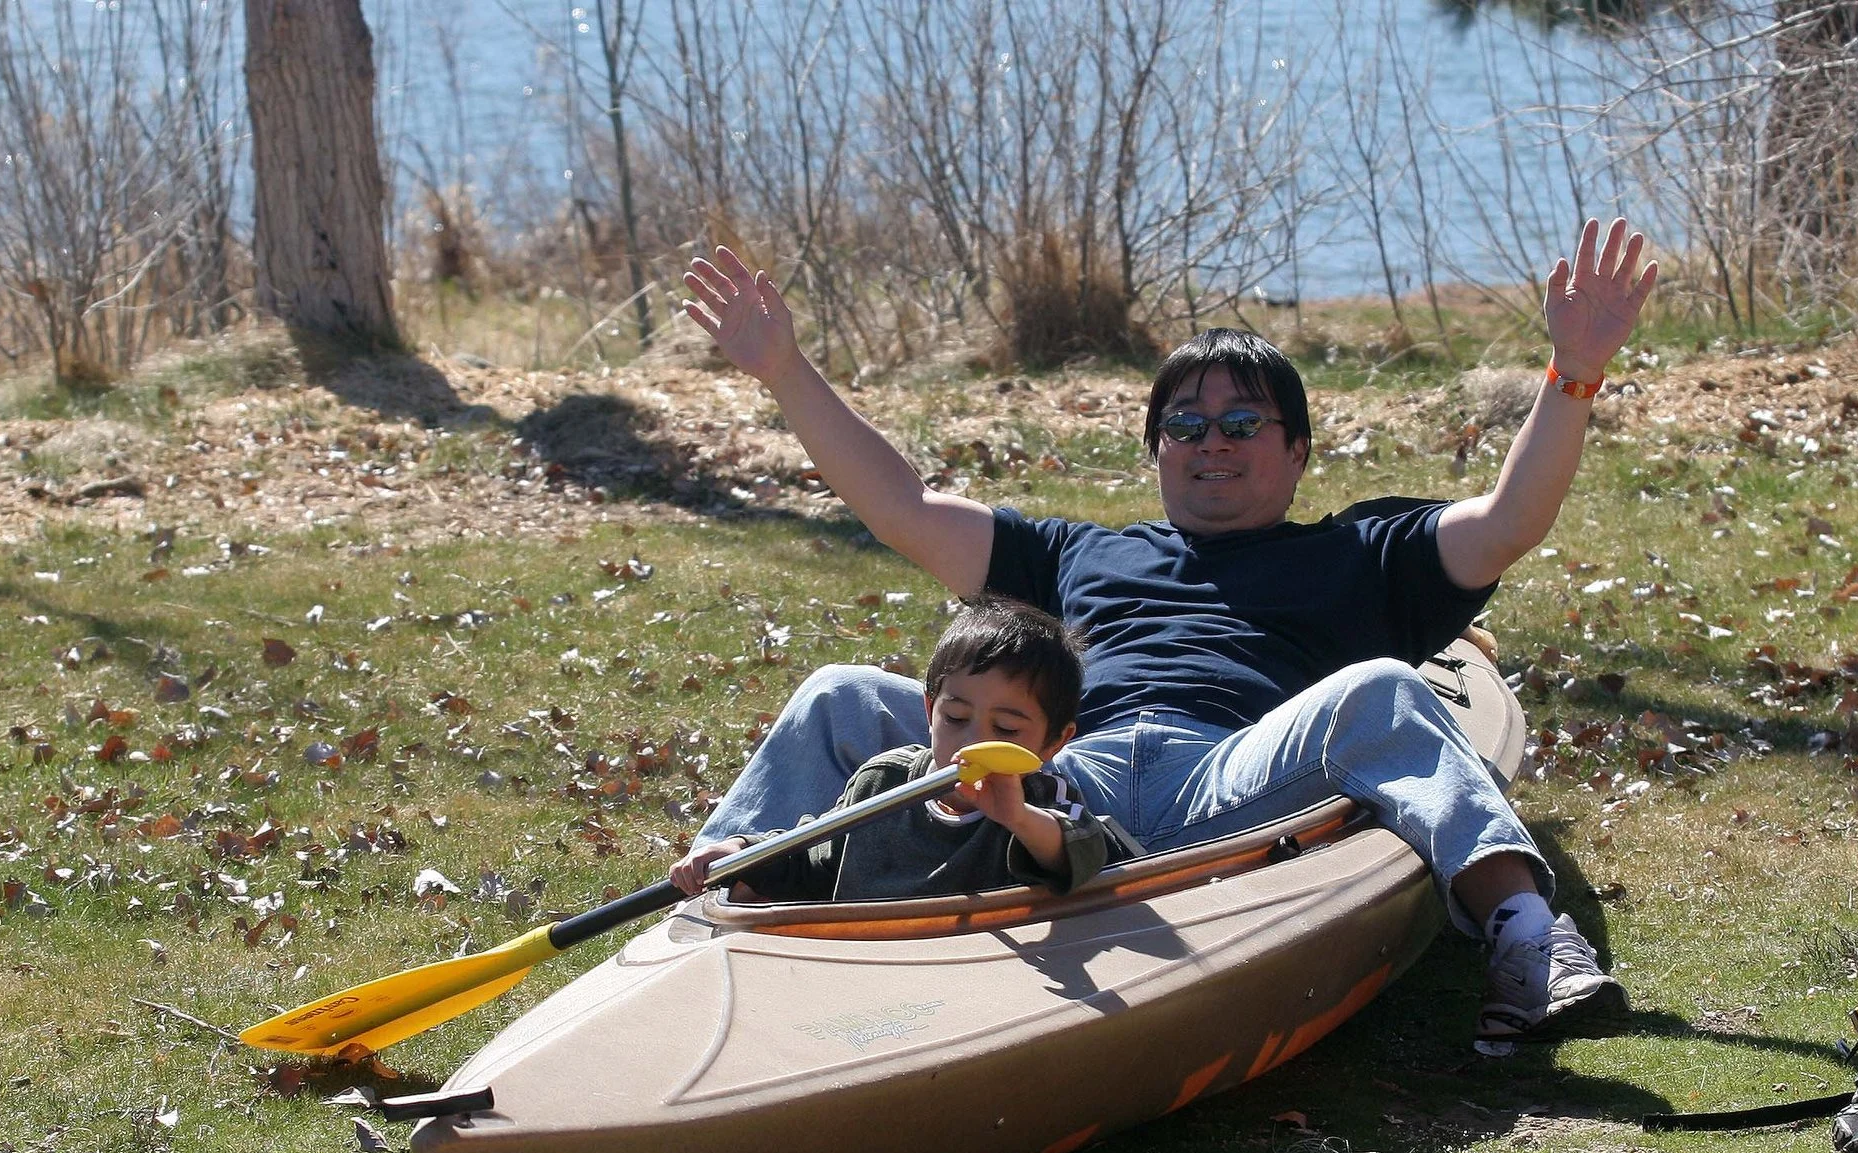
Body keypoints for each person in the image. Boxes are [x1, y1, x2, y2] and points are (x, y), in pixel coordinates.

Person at [680, 217, 1658, 1054]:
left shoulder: (1363, 551)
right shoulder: (1075, 554)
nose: (1212, 441)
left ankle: (1529, 943)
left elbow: (1507, 522)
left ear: (1295, 451)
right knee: (843, 694)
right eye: (1184, 426)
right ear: (1154, 452)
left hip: (1234, 777)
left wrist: (1573, 374)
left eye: (1242, 421)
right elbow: (901, 506)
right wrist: (785, 371)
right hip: (1073, 772)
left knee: (1380, 690)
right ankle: (704, 914)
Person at [668, 597, 1117, 903]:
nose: (974, 740)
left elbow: (1084, 855)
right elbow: (813, 859)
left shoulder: (1044, 798)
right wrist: (742, 851)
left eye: (1005, 728)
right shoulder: (882, 781)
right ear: (929, 709)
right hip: (864, 970)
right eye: (956, 718)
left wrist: (1017, 818)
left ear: (1053, 742)